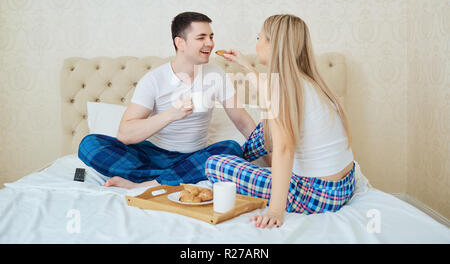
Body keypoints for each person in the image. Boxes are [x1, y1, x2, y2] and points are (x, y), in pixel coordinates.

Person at [205, 14, 355, 229]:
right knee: (263, 129)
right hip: (343, 186)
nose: (256, 45)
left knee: (214, 164)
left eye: (259, 38)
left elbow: (284, 149)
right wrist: (247, 67)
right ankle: (244, 154)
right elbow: (270, 96)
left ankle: (240, 155)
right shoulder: (308, 82)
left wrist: (276, 210)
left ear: (273, 44)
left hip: (316, 193)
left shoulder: (281, 88)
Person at [78, 12, 256, 189]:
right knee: (89, 145)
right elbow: (124, 134)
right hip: (151, 157)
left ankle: (146, 183)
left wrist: (273, 163)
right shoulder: (154, 79)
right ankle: (175, 177)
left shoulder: (216, 75)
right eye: (201, 37)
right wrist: (171, 115)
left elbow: (243, 122)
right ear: (180, 43)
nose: (210, 43)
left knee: (232, 148)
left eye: (211, 36)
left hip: (193, 157)